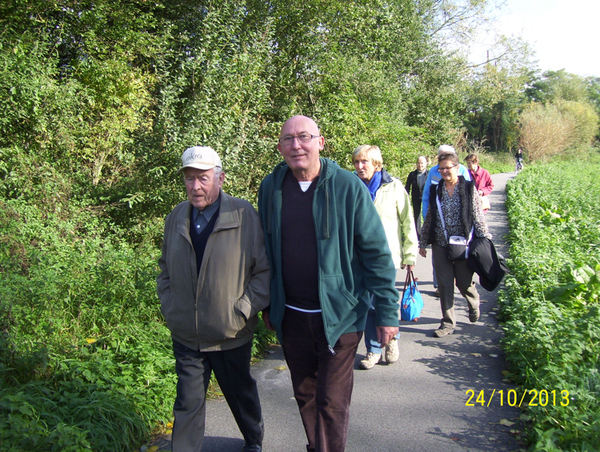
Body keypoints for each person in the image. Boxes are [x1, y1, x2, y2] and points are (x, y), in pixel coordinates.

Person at [258, 116, 399, 452]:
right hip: (291, 316)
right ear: (280, 147)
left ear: (320, 142)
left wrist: (387, 313)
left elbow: (376, 253)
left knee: (332, 402)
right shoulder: (271, 188)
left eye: (304, 137)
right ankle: (317, 446)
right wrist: (268, 304)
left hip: (341, 316)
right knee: (305, 394)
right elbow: (263, 251)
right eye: (288, 139)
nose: (296, 145)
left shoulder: (347, 187)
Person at [157, 146, 270, 452]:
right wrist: (169, 304)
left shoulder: (243, 214)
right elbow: (164, 267)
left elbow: (263, 271)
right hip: (187, 332)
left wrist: (243, 309)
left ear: (220, 177)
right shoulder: (176, 217)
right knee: (188, 401)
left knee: (239, 393)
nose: (195, 186)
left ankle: (253, 438)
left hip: (229, 330)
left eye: (203, 178)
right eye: (190, 179)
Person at [353, 144, 418, 370]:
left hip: (387, 257)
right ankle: (373, 350)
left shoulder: (394, 187)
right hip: (358, 259)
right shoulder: (350, 186)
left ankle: (391, 342)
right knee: (368, 304)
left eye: (364, 162)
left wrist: (410, 255)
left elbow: (408, 222)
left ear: (377, 164)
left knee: (384, 301)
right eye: (356, 162)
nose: (359, 167)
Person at [418, 152, 492, 338]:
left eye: (447, 168)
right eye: (441, 168)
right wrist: (423, 241)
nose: (444, 171)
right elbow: (429, 218)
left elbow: (477, 215)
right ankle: (447, 322)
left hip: (463, 244)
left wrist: (485, 240)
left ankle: (473, 302)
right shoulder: (437, 189)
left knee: (464, 282)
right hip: (440, 243)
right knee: (444, 284)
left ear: (457, 169)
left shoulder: (468, 188)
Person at [420, 145, 471, 297]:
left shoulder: (463, 173)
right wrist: (426, 220)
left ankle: (466, 290)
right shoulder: (433, 173)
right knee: (441, 266)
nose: (443, 170)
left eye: (446, 157)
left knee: (462, 275)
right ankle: (440, 286)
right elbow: (427, 197)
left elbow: (470, 202)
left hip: (460, 234)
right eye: (440, 157)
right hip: (439, 231)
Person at [404, 156, 428, 239]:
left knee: (426, 215)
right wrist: (405, 197)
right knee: (416, 215)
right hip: (415, 197)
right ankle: (418, 235)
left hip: (426, 198)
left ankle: (427, 233)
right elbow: (407, 187)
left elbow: (434, 185)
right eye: (418, 163)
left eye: (422, 163)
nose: (420, 165)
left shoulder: (429, 174)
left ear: (426, 164)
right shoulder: (412, 174)